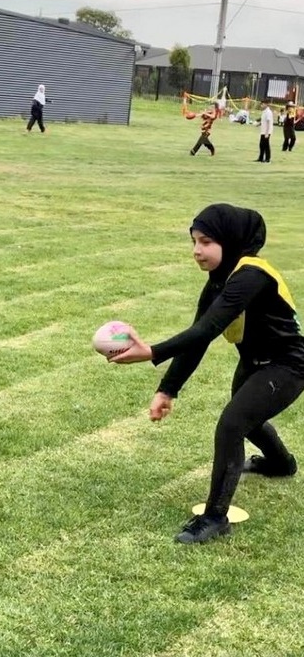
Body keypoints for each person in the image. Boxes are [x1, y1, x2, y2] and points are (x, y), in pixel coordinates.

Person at [108, 203, 304, 545]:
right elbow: (197, 338)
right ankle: (280, 463)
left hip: (288, 364)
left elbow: (207, 331)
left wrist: (151, 352)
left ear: (230, 241)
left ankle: (214, 517)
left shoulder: (251, 275)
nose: (197, 251)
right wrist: (168, 389)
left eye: (207, 241)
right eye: (194, 241)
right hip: (254, 360)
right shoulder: (219, 281)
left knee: (232, 423)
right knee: (248, 418)